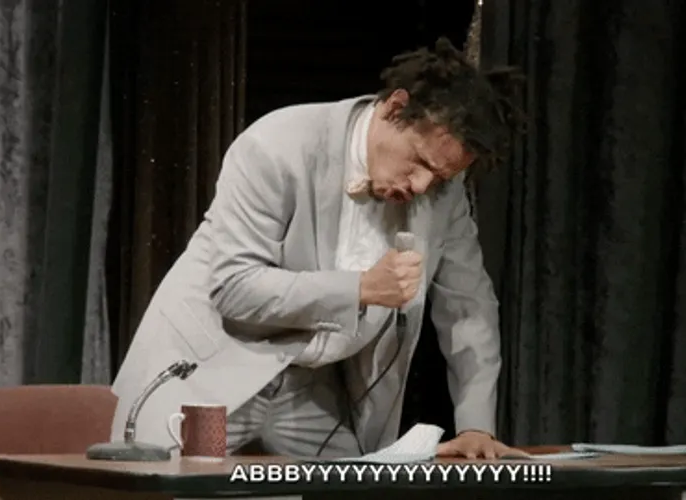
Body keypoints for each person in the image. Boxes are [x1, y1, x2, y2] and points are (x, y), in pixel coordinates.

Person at [110, 38, 525, 459]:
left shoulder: (443, 196)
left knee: (356, 486)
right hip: (214, 373)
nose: (421, 185)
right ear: (395, 108)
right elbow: (234, 287)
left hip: (308, 393)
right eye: (419, 162)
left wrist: (476, 425)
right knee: (184, 484)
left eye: (438, 177)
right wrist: (361, 288)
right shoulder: (278, 145)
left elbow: (469, 306)